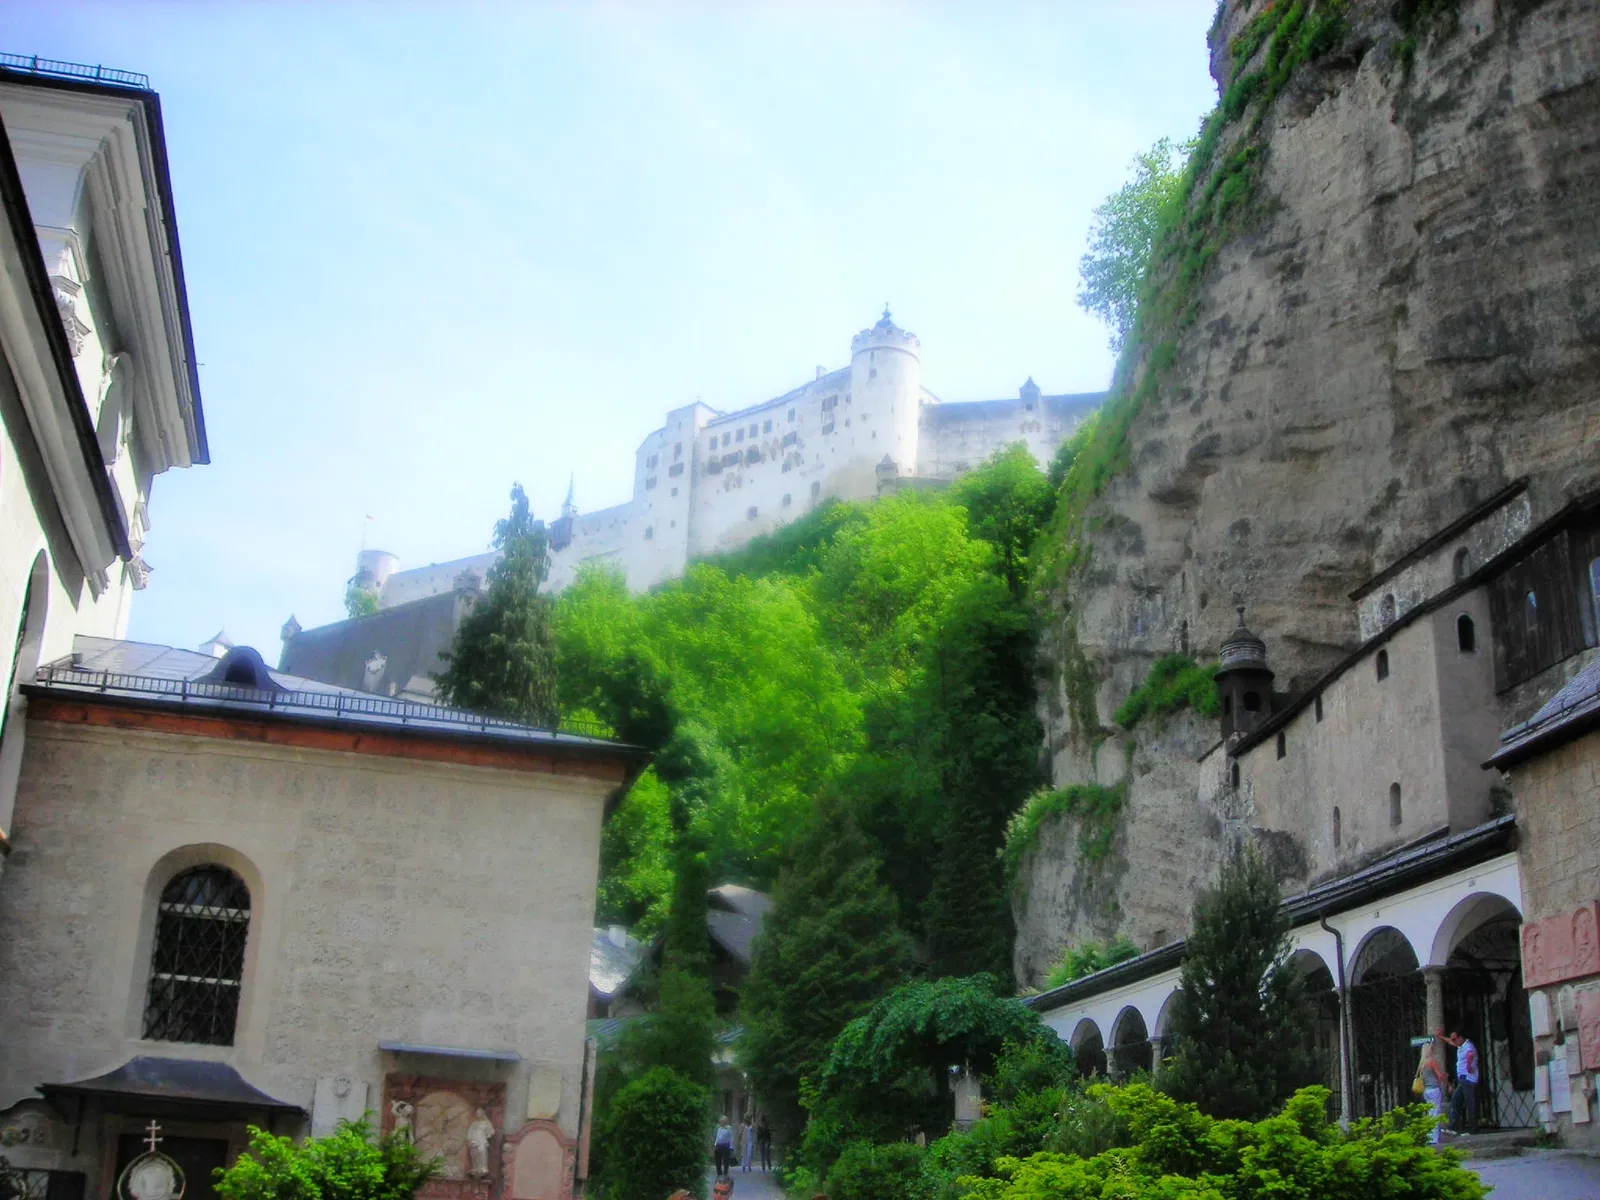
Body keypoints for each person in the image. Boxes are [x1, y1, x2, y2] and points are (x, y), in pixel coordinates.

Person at [1416, 1032, 1449, 1144]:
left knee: (1430, 1113)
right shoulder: (1432, 1062)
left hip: (1426, 1091)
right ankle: (1434, 1138)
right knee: (1436, 1113)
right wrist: (1445, 1077)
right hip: (1434, 1089)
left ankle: (1429, 1136)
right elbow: (1440, 1076)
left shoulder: (1422, 1063)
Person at [1448, 1030, 1479, 1134]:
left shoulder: (1467, 1045)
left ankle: (1472, 1128)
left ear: (1461, 1038)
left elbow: (1470, 1054)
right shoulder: (1460, 1046)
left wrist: (1468, 1066)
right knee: (1456, 1100)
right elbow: (1450, 1041)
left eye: (1454, 1039)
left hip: (1467, 1078)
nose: (1453, 1041)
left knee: (1467, 1102)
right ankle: (1455, 1127)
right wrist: (1440, 1036)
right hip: (1463, 1078)